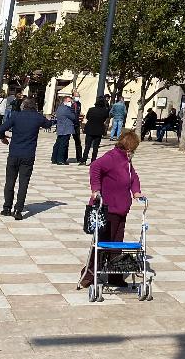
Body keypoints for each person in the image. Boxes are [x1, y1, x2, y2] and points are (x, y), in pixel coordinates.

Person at [80, 130, 145, 289]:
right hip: (107, 209)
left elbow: (133, 177)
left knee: (117, 243)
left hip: (121, 209)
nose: (133, 153)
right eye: (133, 149)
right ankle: (88, 275)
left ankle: (115, 276)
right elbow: (95, 167)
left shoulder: (126, 160)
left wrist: (136, 192)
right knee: (102, 243)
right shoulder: (112, 157)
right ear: (129, 147)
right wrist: (96, 189)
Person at [0, 98, 54, 220]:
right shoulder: (37, 117)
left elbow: (1, 129)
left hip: (14, 153)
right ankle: (18, 209)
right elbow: (49, 124)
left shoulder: (16, 116)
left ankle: (7, 208)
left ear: (23, 106)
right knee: (24, 182)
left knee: (10, 181)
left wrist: (3, 138)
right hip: (28, 155)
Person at [83, 96, 110, 165]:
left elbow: (87, 117)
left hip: (90, 129)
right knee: (95, 147)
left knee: (87, 146)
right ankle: (93, 160)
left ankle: (84, 160)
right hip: (99, 130)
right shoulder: (105, 111)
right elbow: (105, 118)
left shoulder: (91, 109)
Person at [52, 95, 78, 165]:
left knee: (58, 143)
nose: (71, 103)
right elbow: (73, 117)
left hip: (61, 128)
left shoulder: (59, 108)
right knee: (63, 144)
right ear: (65, 101)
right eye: (69, 101)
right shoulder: (67, 109)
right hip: (66, 128)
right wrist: (73, 111)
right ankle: (61, 160)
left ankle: (54, 158)